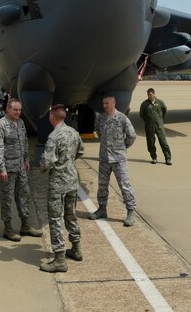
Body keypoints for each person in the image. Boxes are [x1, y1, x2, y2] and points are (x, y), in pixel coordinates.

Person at [39, 104, 84, 273]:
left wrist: (43, 166)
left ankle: (59, 259)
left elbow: (47, 162)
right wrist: (68, 163)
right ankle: (76, 248)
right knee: (71, 215)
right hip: (72, 180)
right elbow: (81, 152)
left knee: (56, 218)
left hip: (58, 183)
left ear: (52, 117)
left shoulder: (53, 136)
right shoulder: (73, 132)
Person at [0, 98, 42, 241]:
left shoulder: (20, 122)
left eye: (20, 110)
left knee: (24, 196)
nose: (18, 112)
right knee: (7, 198)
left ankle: (25, 225)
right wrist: (1, 168)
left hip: (20, 167)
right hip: (7, 169)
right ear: (8, 109)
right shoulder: (1, 125)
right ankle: (8, 228)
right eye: (15, 110)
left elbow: (24, 142)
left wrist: (26, 159)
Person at [89, 95, 136, 227]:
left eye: (107, 103)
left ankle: (131, 211)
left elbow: (132, 135)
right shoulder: (101, 118)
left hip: (118, 158)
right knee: (102, 185)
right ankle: (102, 209)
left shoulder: (122, 118)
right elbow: (98, 131)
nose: (104, 106)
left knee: (124, 185)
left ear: (113, 104)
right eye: (103, 103)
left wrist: (122, 146)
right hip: (104, 158)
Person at [139, 88, 172, 165]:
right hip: (149, 125)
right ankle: (154, 157)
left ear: (154, 94)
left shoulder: (160, 102)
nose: (149, 96)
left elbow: (164, 111)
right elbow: (142, 114)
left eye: (150, 94)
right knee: (150, 142)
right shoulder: (144, 104)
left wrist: (159, 119)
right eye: (148, 95)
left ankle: (168, 158)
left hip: (159, 125)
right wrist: (148, 120)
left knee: (163, 142)